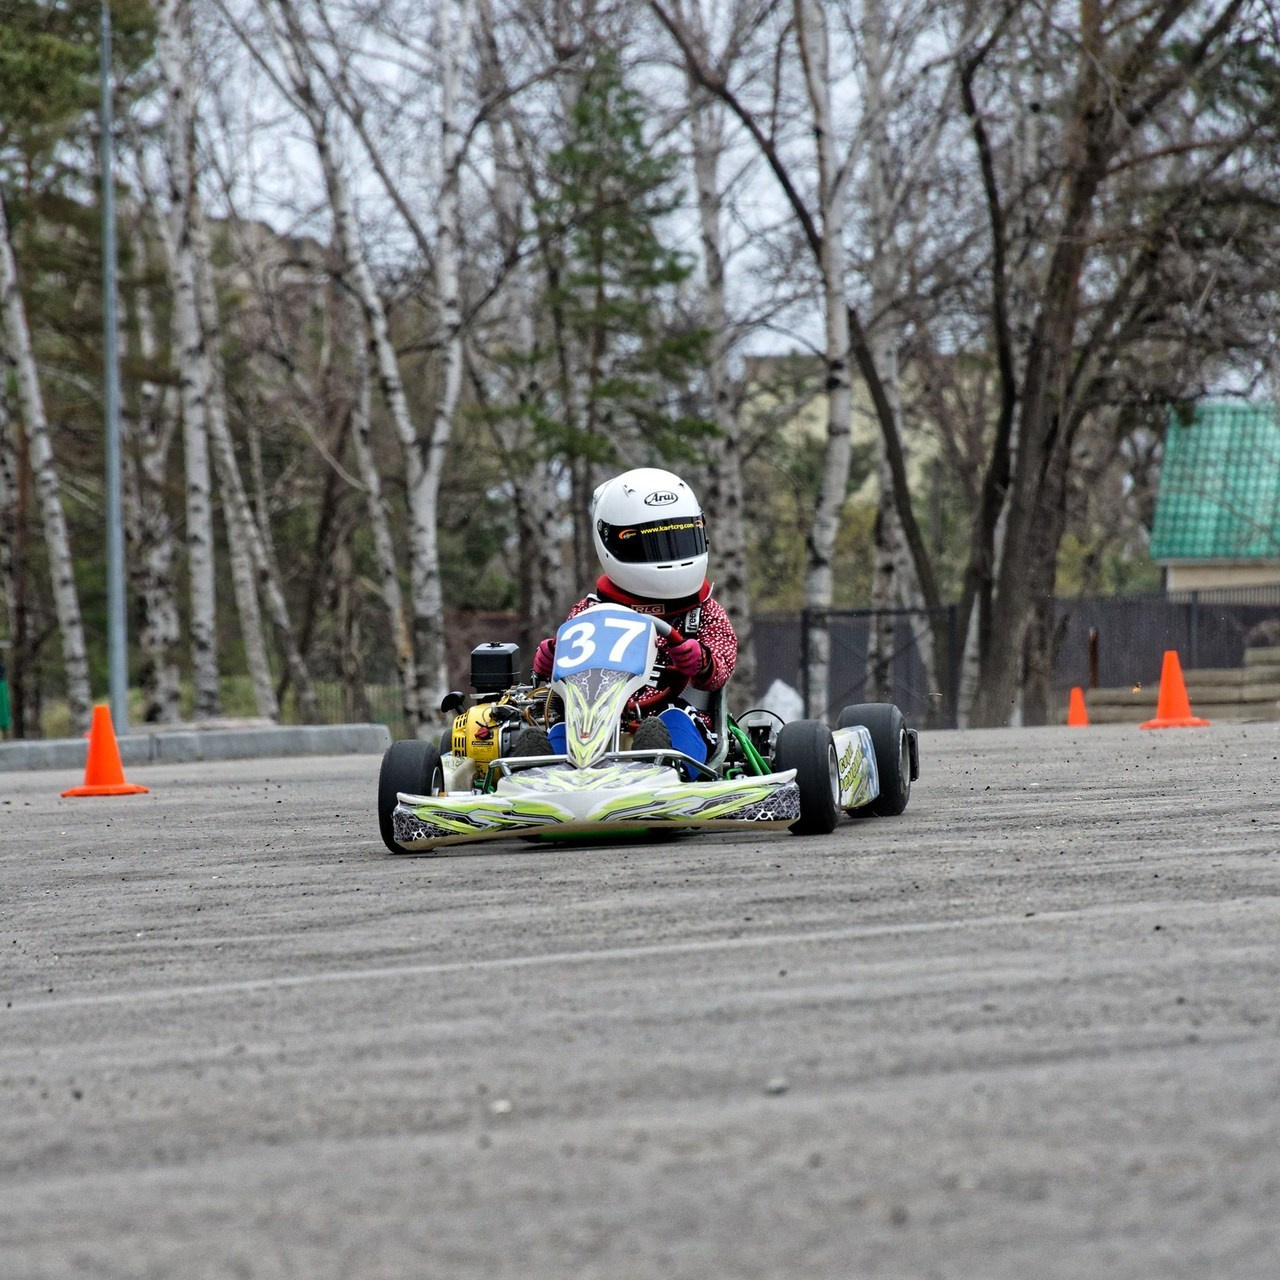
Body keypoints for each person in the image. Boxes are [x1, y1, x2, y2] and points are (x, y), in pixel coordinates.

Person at [528, 467, 738, 763]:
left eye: (678, 538)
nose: (668, 556)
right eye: (649, 542)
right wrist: (549, 662)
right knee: (560, 731)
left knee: (674, 725)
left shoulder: (703, 612)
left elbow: (721, 667)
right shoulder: (590, 611)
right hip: (596, 722)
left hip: (675, 714)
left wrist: (701, 661)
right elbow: (567, 672)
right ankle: (536, 773)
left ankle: (667, 770)